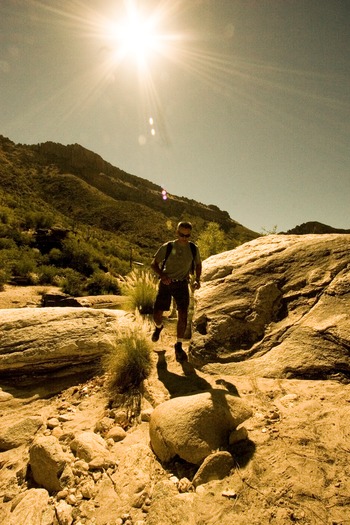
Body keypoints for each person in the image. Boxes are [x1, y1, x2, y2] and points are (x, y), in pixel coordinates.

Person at [150, 221, 202, 362]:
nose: (184, 238)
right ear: (176, 232)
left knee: (183, 314)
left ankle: (178, 345)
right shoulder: (168, 247)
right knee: (157, 313)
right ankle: (159, 327)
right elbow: (153, 264)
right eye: (181, 234)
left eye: (187, 235)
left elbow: (198, 264)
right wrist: (163, 275)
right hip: (166, 284)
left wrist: (197, 279)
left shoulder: (193, 248)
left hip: (182, 285)